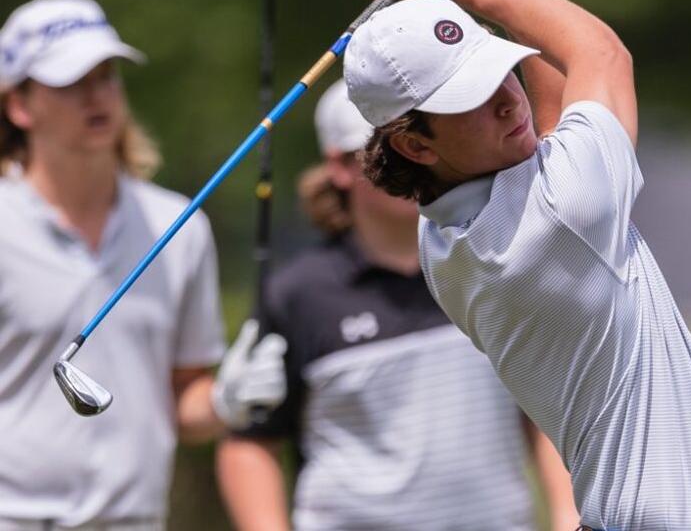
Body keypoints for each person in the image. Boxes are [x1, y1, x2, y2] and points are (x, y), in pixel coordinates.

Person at [342, 0, 691, 531]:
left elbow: (553, 125)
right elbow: (600, 53)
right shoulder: (560, 218)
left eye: (499, 70)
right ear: (415, 145)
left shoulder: (446, 238)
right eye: (471, 97)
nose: (506, 99)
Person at [216, 76, 579, 531]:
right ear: (341, 168)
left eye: (424, 142)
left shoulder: (495, 262)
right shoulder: (297, 294)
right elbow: (250, 442)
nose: (414, 161)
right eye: (390, 150)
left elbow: (543, 412)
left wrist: (568, 516)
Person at [0, 0, 287, 530]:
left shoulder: (178, 228)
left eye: (106, 75)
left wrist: (228, 398)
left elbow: (186, 405)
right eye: (69, 82)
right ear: (19, 105)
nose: (97, 95)